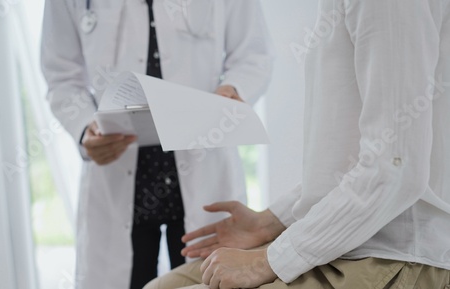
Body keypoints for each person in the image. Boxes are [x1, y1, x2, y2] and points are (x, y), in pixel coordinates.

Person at [144, 0, 450, 288]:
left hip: (395, 251)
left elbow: (396, 170)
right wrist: (270, 222)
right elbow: (351, 165)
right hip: (349, 237)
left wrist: (269, 260)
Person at [41, 0, 273, 288]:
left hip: (202, 168)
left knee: (205, 280)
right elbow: (61, 74)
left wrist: (233, 90)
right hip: (118, 168)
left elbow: (253, 55)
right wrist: (83, 128)